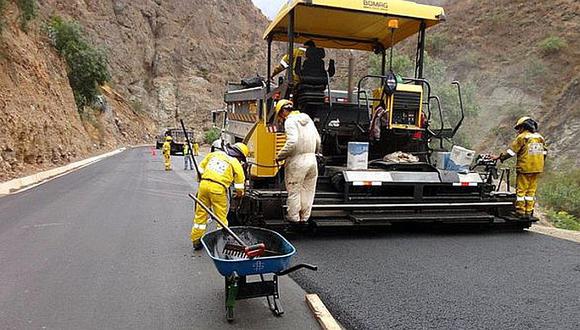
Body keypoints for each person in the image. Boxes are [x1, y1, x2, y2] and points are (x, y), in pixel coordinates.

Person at [190, 142, 249, 250]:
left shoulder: (214, 155)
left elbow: (200, 169)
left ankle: (196, 240)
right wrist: (239, 195)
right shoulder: (235, 163)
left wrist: (201, 179)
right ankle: (219, 242)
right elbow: (240, 185)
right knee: (220, 218)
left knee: (200, 214)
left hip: (203, 186)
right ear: (240, 156)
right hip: (218, 189)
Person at [275, 99, 321, 223]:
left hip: (298, 161)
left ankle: (294, 219)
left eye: (280, 115)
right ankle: (304, 218)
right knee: (308, 191)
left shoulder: (290, 121)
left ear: (283, 111)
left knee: (294, 191)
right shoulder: (308, 119)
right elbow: (318, 140)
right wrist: (314, 153)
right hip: (312, 160)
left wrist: (280, 155)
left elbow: (292, 142)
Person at [491, 116, 547, 218]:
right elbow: (544, 152)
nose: (518, 131)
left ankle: (520, 212)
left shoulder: (522, 137)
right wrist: (539, 164)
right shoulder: (540, 137)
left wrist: (499, 157)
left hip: (525, 168)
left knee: (521, 191)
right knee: (531, 191)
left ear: (524, 127)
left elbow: (511, 152)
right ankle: (529, 211)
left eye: (519, 128)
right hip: (537, 169)